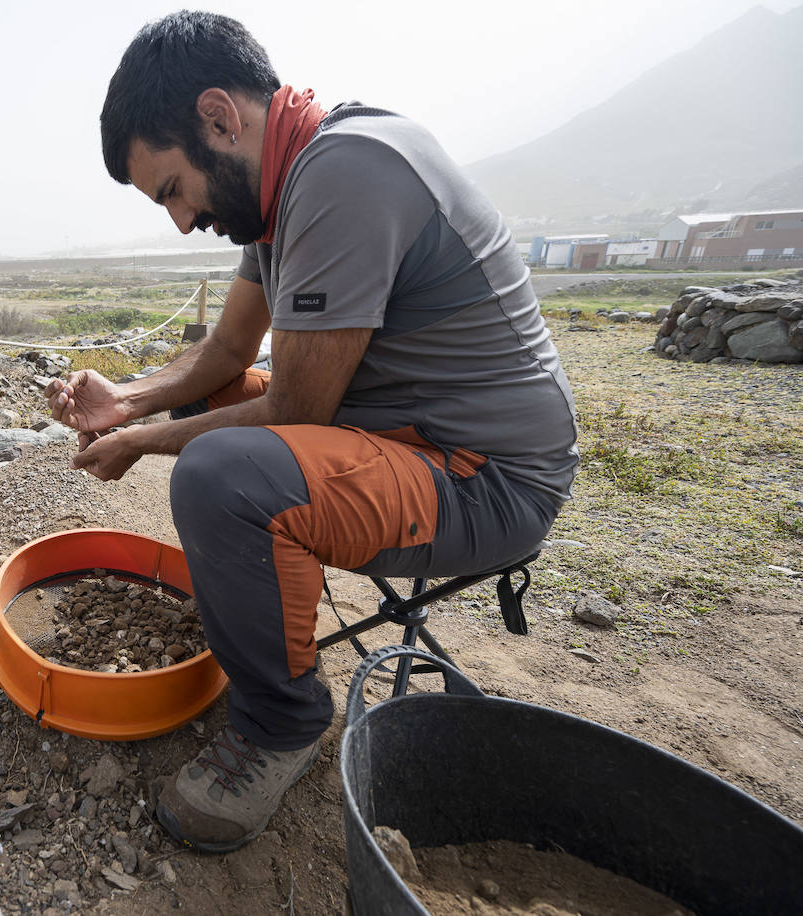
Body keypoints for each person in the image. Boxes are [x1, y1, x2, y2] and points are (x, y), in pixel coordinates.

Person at [46, 10, 578, 853]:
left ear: (220, 118)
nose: (182, 222)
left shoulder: (346, 172)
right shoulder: (283, 186)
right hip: (400, 432)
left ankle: (282, 722)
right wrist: (130, 401)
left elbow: (295, 412)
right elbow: (225, 350)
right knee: (212, 402)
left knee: (220, 475)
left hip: (487, 477)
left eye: (174, 190)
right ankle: (270, 629)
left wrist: (143, 445)